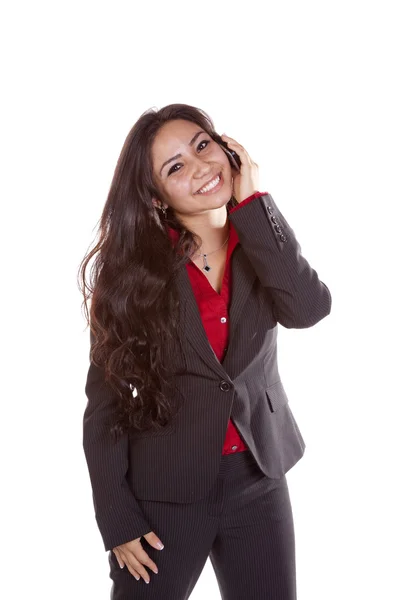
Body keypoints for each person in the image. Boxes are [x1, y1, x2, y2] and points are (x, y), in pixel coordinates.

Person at [79, 103, 332, 599]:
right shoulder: (131, 273)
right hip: (164, 490)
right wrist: (117, 518)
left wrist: (254, 200)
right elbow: (105, 405)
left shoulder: (256, 238)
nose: (200, 167)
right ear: (154, 197)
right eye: (175, 167)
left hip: (257, 476)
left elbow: (308, 308)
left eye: (202, 145)